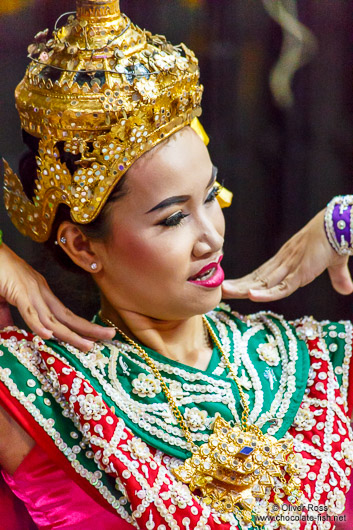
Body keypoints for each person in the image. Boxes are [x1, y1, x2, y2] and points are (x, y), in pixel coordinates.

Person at [1, 1, 353, 529]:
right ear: (82, 246)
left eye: (210, 196)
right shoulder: (45, 392)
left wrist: (344, 221)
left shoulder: (316, 360)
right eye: (172, 220)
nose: (211, 238)